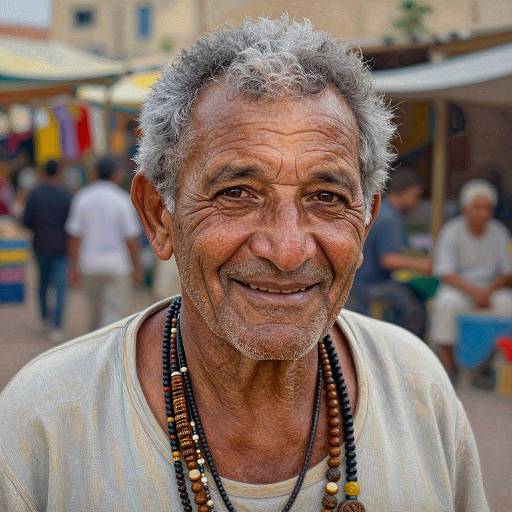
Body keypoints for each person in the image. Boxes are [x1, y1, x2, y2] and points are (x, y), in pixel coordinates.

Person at [0, 18, 488, 511]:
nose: (288, 249)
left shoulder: (417, 386)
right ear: (157, 215)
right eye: (236, 194)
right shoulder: (46, 423)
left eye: (326, 196)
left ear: (365, 222)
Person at [431, 179, 512, 378]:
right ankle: (449, 367)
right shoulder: (451, 231)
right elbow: (445, 272)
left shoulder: (499, 232)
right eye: (478, 208)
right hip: (460, 288)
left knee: (506, 304)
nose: (483, 213)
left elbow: (507, 273)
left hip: (491, 289)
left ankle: (492, 366)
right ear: (466, 209)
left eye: (487, 208)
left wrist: (488, 291)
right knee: (447, 304)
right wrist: (475, 292)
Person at [349, 168, 431, 337]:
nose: (416, 202)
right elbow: (389, 260)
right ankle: (408, 349)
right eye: (415, 196)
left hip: (363, 281)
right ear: (405, 191)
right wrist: (421, 264)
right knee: (414, 308)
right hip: (370, 284)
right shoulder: (389, 218)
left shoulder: (385, 211)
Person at [66, 156, 142, 330]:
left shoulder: (82, 198)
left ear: (95, 174)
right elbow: (130, 239)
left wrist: (73, 267)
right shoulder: (122, 200)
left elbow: (74, 236)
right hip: (118, 266)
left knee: (94, 316)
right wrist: (137, 267)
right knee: (115, 317)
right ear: (115, 174)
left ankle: (95, 352)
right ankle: (109, 355)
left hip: (89, 265)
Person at [22, 159, 71, 342]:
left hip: (40, 246)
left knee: (42, 284)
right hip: (60, 246)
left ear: (43, 172)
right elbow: (71, 223)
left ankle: (44, 319)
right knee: (60, 287)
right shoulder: (65, 194)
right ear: (58, 172)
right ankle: (57, 326)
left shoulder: (35, 194)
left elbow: (25, 220)